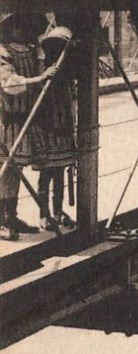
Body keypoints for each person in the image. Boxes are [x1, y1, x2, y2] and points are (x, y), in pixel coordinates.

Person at [0, 12, 58, 240]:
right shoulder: (3, 52)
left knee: (16, 170)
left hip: (26, 117)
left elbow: (39, 71)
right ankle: (3, 220)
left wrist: (42, 62)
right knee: (6, 170)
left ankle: (11, 216)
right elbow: (9, 84)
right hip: (7, 118)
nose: (22, 30)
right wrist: (39, 78)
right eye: (17, 26)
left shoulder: (31, 49)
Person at [33, 26, 77, 231]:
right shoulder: (44, 69)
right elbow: (39, 90)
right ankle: (44, 214)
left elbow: (70, 103)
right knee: (46, 174)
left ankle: (58, 212)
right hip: (47, 129)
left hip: (63, 129)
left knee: (59, 173)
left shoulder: (66, 73)